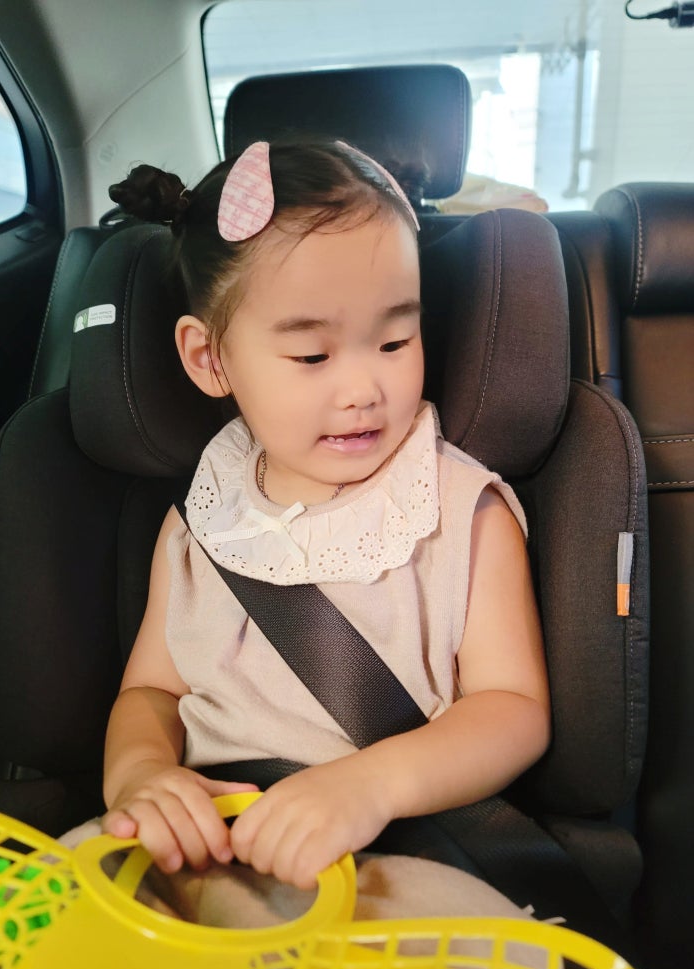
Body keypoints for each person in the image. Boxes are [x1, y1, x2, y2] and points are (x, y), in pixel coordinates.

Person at [100, 139, 550, 902]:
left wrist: (369, 786)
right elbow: (150, 692)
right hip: (208, 847)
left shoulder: (458, 511)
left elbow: (513, 709)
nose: (362, 388)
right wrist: (141, 772)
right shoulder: (200, 522)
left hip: (389, 853)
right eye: (312, 355)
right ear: (209, 358)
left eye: (394, 341)